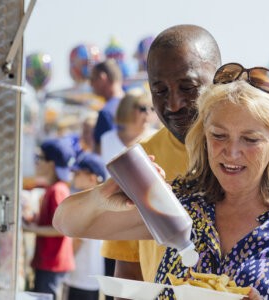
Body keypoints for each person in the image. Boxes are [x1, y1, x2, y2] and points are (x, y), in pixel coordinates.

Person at [53, 63, 269, 299]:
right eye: (218, 135)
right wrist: (103, 195)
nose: (232, 152)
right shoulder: (184, 202)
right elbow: (67, 222)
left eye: (250, 139)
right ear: (202, 136)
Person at [99, 25, 222, 288]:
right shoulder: (140, 162)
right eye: (160, 90)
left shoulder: (267, 150)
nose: (174, 103)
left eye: (187, 86)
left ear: (218, 80)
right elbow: (128, 271)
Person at [23, 138, 76, 298]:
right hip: (48, 262)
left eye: (40, 158)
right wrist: (33, 221)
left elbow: (62, 229)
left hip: (52, 263)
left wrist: (30, 229)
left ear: (51, 164)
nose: (36, 162)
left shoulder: (57, 190)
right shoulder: (52, 189)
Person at [62, 153, 108, 300]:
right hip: (91, 277)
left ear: (92, 178)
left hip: (80, 277)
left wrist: (65, 263)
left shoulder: (89, 204)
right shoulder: (101, 203)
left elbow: (78, 240)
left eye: (77, 173)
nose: (73, 176)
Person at [99, 88, 157, 163]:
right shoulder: (107, 138)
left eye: (152, 108)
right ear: (127, 109)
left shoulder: (156, 136)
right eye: (143, 108)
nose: (148, 112)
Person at [91, 59, 126, 154]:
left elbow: (100, 153)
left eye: (92, 79)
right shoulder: (137, 106)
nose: (91, 84)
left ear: (103, 78)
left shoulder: (106, 112)